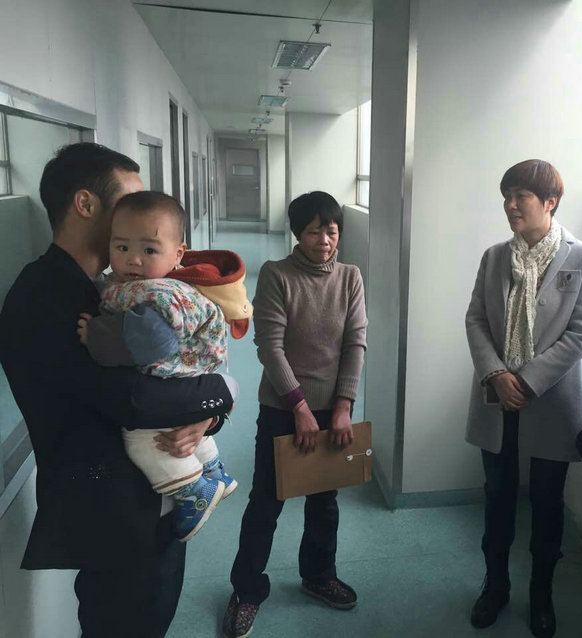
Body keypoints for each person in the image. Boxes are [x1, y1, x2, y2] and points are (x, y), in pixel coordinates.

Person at [0, 143, 235, 637]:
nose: (142, 209)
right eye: (129, 199)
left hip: (150, 501)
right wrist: (222, 393)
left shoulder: (107, 285)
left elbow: (167, 372)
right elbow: (133, 398)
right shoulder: (44, 296)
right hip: (114, 517)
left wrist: (207, 413)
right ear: (86, 204)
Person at [465, 159, 582, 637]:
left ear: (550, 202)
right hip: (497, 398)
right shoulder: (494, 257)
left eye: (520, 195)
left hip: (552, 400)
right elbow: (475, 319)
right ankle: (496, 586)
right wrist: (496, 374)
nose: (510, 205)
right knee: (497, 495)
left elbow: (581, 334)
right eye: (506, 196)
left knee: (547, 500)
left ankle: (541, 594)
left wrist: (526, 381)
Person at [222, 191, 367, 638]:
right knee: (267, 501)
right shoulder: (277, 274)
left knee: (325, 501)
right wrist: (299, 406)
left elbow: (355, 342)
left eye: (332, 231)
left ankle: (318, 575)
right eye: (314, 232)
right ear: (297, 234)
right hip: (284, 408)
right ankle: (247, 590)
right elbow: (269, 346)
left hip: (332, 410)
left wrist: (342, 406)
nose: (324, 241)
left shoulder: (350, 277)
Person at [78, 190, 252, 542]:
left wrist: (94, 335)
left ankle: (194, 490)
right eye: (121, 247)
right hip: (191, 381)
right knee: (183, 433)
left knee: (142, 439)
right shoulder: (153, 284)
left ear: (178, 254)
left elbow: (149, 343)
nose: (133, 260)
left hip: (174, 380)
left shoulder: (162, 293)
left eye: (149, 251)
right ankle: (213, 468)